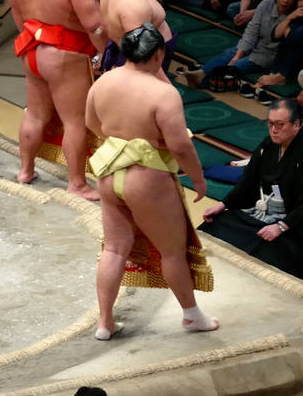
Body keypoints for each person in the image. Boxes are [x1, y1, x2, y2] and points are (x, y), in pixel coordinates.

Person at [84, 26, 215, 338]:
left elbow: (92, 124)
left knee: (114, 249)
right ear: (158, 54)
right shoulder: (163, 93)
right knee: (171, 251)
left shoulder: (103, 81)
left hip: (109, 169)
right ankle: (191, 315)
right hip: (146, 178)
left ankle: (105, 322)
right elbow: (180, 145)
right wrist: (198, 179)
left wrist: (123, 140)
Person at [8, 0, 103, 192]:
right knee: (75, 121)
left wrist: (33, 36)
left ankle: (25, 171)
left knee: (35, 114)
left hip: (31, 48)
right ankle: (77, 183)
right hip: (64, 55)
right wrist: (104, 55)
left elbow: (18, 14)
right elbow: (95, 27)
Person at [200, 99, 303, 277]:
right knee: (217, 223)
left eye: (280, 124)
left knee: (269, 251)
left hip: (297, 223)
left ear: (296, 125)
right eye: (270, 124)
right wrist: (222, 204)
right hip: (265, 211)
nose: (273, 129)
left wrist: (280, 227)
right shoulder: (269, 144)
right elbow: (248, 180)